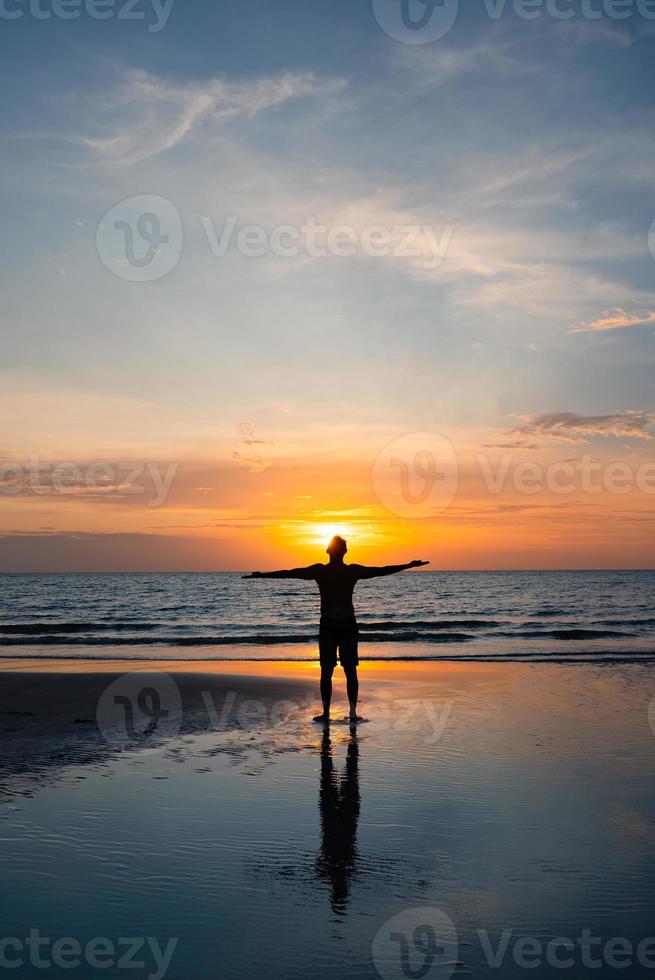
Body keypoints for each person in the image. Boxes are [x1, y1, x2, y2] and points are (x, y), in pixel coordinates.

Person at [243, 536, 429, 723]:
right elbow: (290, 573)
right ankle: (343, 713)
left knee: (338, 671)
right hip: (336, 626)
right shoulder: (335, 571)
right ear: (342, 551)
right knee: (338, 670)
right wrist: (262, 575)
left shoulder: (334, 571)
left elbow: (380, 571)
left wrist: (408, 565)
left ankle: (343, 713)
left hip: (340, 626)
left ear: (330, 550)